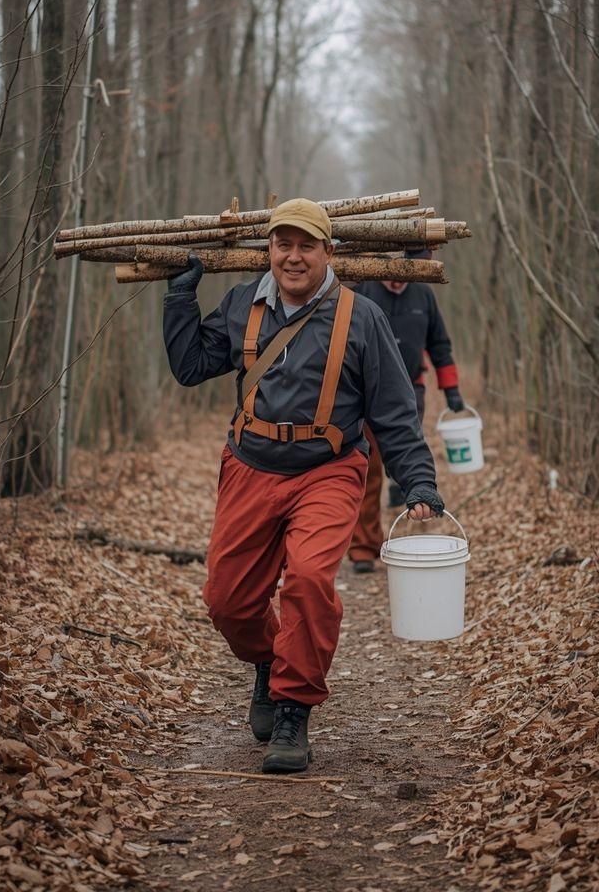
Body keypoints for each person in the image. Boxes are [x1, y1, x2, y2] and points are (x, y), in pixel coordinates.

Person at [162, 198, 443, 774]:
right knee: (228, 601)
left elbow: (394, 410)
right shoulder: (243, 303)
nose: (293, 257)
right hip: (250, 464)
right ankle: (269, 661)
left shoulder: (362, 317)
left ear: (328, 252)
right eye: (282, 244)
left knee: (310, 578)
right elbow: (191, 366)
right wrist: (179, 297)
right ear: (268, 251)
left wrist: (418, 480)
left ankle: (293, 708)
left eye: (306, 245)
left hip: (328, 469)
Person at [348, 266, 463, 573]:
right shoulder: (364, 289)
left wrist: (451, 388)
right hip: (366, 393)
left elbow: (439, 344)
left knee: (403, 454)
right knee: (368, 469)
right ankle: (363, 548)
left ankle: (400, 486)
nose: (398, 279)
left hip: (412, 390)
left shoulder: (423, 295)